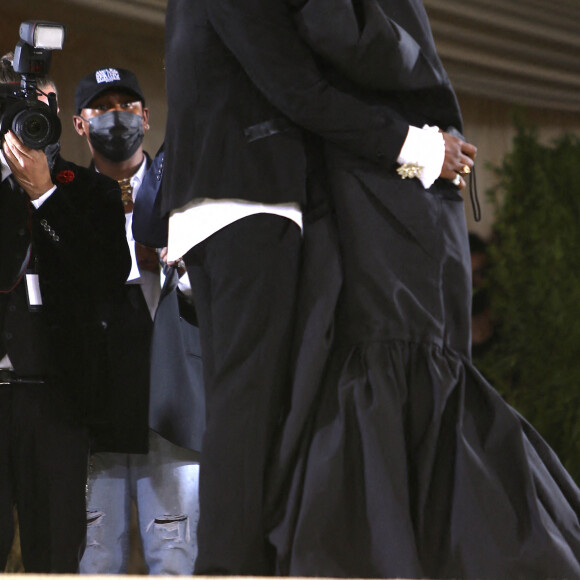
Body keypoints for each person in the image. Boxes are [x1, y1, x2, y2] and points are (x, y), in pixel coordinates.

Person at [261, 2, 580, 579]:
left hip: (394, 190)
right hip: (401, 186)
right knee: (401, 363)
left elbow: (347, 43)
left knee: (402, 358)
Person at [161, 0, 475, 574]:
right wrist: (421, 148)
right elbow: (297, 89)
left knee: (247, 405)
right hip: (247, 201)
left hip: (228, 203)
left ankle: (240, 565)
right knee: (246, 407)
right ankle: (227, 569)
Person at [0, 53, 130, 572]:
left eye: (40, 106)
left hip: (56, 401)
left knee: (54, 554)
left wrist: (46, 194)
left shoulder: (91, 189)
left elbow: (104, 276)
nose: (26, 119)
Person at [72, 68, 201, 574]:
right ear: (80, 125)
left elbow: (222, 284)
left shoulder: (184, 185)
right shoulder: (67, 197)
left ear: (146, 118)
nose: (116, 116)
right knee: (96, 552)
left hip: (170, 395)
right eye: (102, 108)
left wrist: (180, 267)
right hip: (97, 398)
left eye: (126, 105)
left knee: (173, 553)